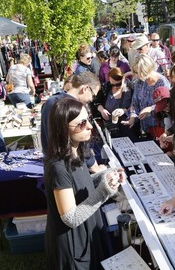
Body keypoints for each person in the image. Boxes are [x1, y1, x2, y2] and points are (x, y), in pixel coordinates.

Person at [44, 97, 125, 269]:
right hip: (73, 244)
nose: (89, 126)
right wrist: (103, 192)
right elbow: (70, 218)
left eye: (87, 119)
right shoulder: (58, 167)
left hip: (87, 231)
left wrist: (105, 177)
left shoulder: (76, 150)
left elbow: (83, 182)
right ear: (63, 129)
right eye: (81, 123)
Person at [40, 71, 105, 173]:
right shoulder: (72, 108)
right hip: (69, 167)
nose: (92, 99)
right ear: (85, 88)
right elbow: (83, 145)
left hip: (52, 164)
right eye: (93, 95)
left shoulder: (51, 101)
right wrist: (98, 170)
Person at [124, 54, 170, 139]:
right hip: (145, 128)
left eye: (139, 72)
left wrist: (150, 108)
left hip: (159, 128)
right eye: (136, 72)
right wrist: (133, 116)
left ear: (146, 69)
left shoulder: (162, 82)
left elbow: (166, 104)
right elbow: (135, 102)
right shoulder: (139, 82)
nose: (137, 75)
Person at [95, 67, 135, 139]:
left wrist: (124, 110)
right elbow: (96, 103)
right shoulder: (105, 87)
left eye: (118, 84)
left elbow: (135, 104)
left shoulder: (130, 87)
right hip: (109, 127)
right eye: (113, 84)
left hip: (127, 126)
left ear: (123, 79)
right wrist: (102, 110)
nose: (116, 87)